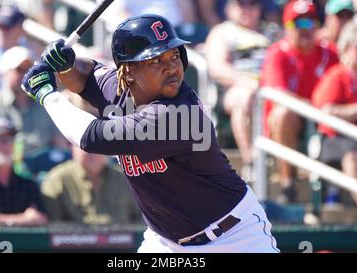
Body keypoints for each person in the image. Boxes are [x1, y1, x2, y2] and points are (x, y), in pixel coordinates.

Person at [21, 14, 278, 252]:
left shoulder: (179, 115)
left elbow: (91, 137)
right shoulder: (120, 86)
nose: (171, 67)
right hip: (165, 241)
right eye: (156, 60)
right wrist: (65, 63)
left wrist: (46, 94)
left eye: (174, 56)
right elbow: (86, 74)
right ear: (128, 72)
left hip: (233, 238)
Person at [260, 0, 339, 203]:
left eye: (310, 23)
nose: (305, 29)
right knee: (284, 113)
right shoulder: (278, 52)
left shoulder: (330, 52)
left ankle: (335, 194)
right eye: (298, 24)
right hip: (289, 122)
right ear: (287, 27)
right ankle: (288, 185)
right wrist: (315, 107)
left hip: (322, 118)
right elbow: (279, 94)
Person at [312, 18, 357, 210]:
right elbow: (326, 111)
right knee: (353, 154)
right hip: (338, 139)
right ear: (347, 48)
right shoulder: (337, 76)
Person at [204, 0, 270, 180]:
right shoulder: (222, 32)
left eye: (252, 3)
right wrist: (250, 83)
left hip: (270, 91)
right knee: (245, 97)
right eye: (241, 4)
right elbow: (217, 68)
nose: (247, 9)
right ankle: (252, 162)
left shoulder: (272, 32)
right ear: (229, 8)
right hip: (235, 89)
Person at [0, 46, 66, 154]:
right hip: (4, 166)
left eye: (29, 70)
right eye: (19, 70)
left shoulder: (46, 103)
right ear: (3, 74)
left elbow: (60, 145)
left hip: (42, 168)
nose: (25, 75)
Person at [41, 144, 142, 225]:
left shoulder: (125, 178)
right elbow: (51, 224)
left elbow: (141, 218)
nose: (93, 153)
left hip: (123, 247)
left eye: (98, 147)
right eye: (87, 147)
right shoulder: (57, 179)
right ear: (73, 148)